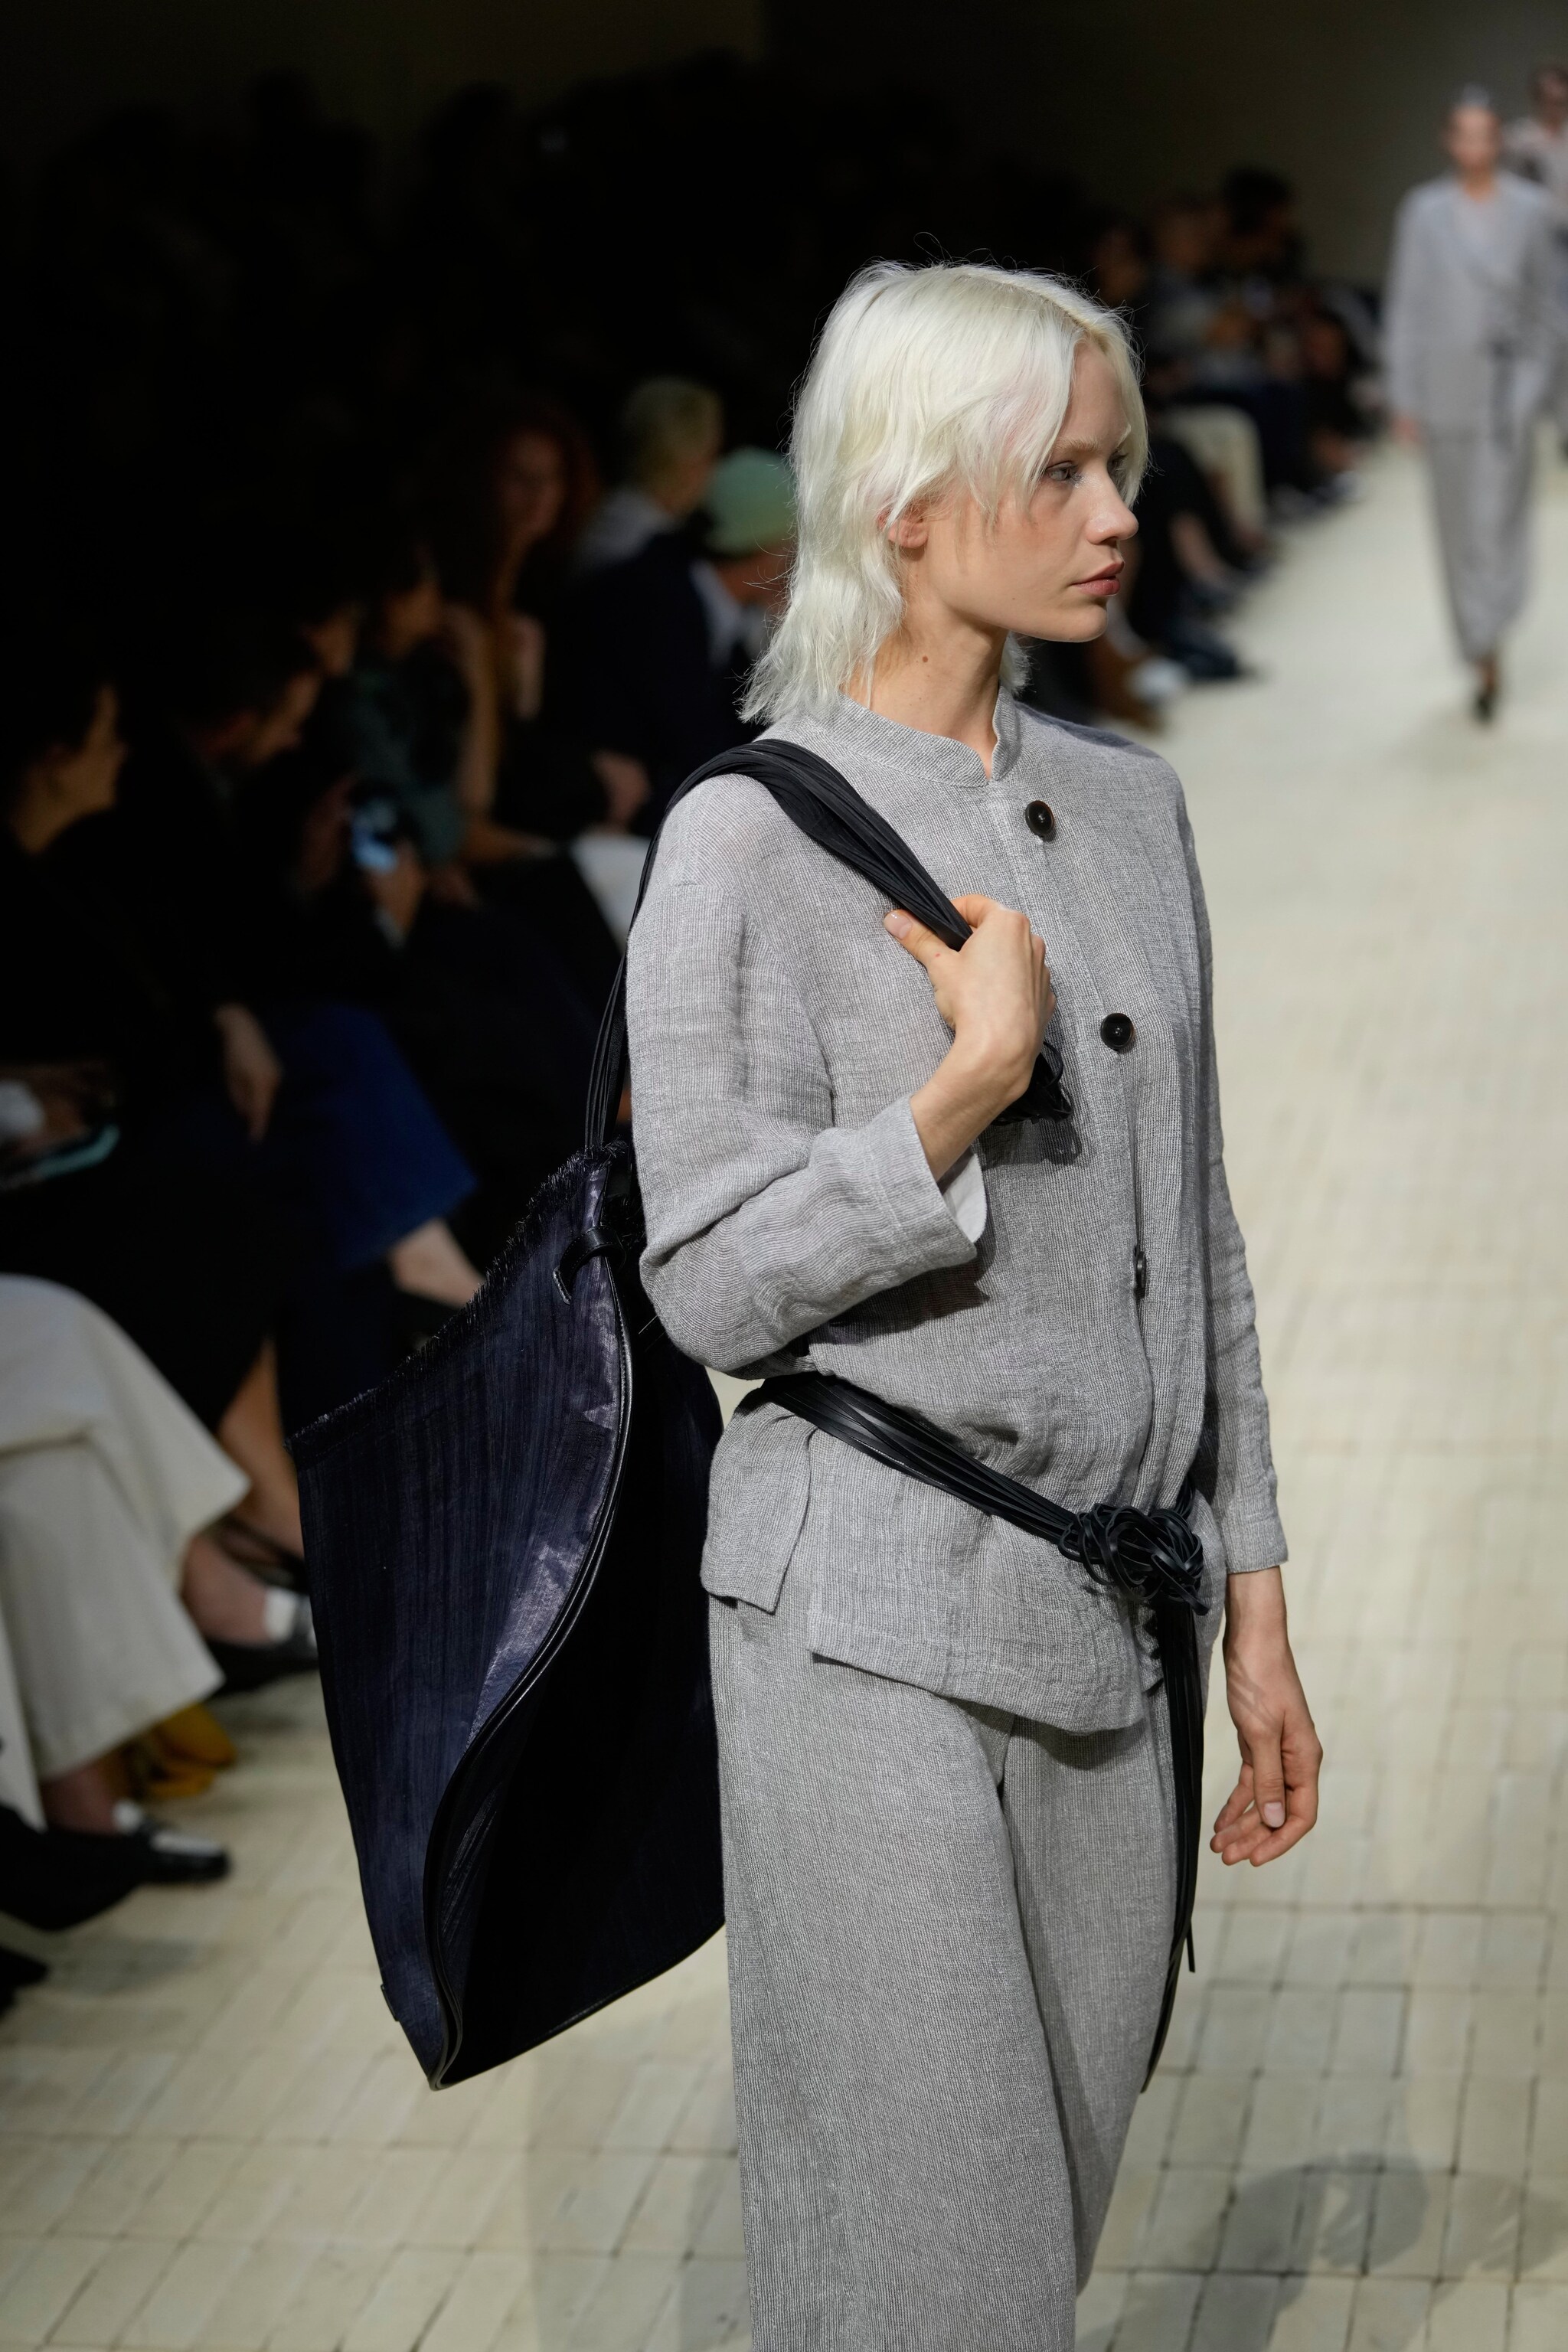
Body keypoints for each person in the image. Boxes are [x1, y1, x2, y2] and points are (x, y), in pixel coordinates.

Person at [625, 259, 1319, 2349]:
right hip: (864, 1618)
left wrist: (1256, 1601)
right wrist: (961, 1089)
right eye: (1066, 470)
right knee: (944, 2274)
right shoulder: (741, 841)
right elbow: (705, 1279)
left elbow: (1199, 1233)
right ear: (908, 508)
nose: (1120, 511)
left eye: (1120, 464)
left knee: (1047, 2215)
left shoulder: (1130, 804)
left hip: (1116, 1617)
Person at [1387, 88, 1560, 718]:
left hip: (1508, 393)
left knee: (1497, 522)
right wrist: (1404, 395)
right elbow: (1407, 304)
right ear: (1448, 140)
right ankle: (1481, 646)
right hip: (1445, 390)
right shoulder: (1424, 211)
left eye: (1486, 134)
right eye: (1464, 133)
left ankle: (1492, 630)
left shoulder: (1531, 210)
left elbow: (1550, 305)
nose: (1475, 146)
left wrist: (1536, 389)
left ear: (1498, 141)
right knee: (1458, 526)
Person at [557, 446, 795, 822]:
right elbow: (696, 753)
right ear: (771, 551)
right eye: (793, 546)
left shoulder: (692, 596)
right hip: (594, 814)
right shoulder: (651, 606)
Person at [573, 376, 724, 573]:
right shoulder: (647, 546)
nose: (714, 470)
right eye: (711, 455)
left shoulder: (605, 512)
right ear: (688, 462)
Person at [1504, 61, 1568, 441]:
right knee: (1531, 336)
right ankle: (1525, 420)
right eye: (1548, 99)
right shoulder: (1519, 140)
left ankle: (1564, 424)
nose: (1555, 106)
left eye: (1561, 100)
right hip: (1530, 250)